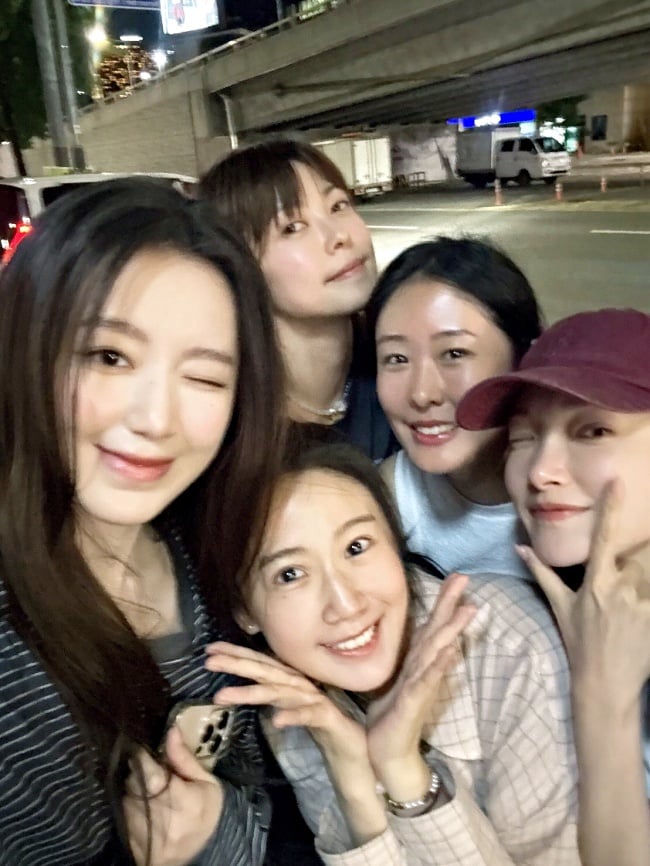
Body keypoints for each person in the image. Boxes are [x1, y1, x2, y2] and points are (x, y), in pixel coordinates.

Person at [0, 177, 288, 866]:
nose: (156, 419)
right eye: (109, 357)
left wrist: (217, 828)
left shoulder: (215, 554)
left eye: (205, 377)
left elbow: (252, 784)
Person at [205, 443, 580, 865]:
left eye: (356, 547)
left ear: (394, 542)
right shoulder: (294, 710)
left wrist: (403, 770)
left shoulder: (508, 644)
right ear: (245, 611)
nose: (346, 605)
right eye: (290, 574)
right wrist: (353, 780)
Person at [456, 307, 650, 866]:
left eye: (593, 431)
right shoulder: (512, 623)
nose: (542, 471)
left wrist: (603, 696)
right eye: (524, 437)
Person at [197, 138, 397, 461]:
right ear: (240, 264)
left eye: (338, 206)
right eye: (292, 227)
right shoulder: (229, 429)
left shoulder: (403, 368)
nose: (339, 236)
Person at [366, 237, 543, 577]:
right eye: (397, 358)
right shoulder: (384, 500)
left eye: (454, 354)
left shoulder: (582, 494)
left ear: (524, 358)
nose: (422, 394)